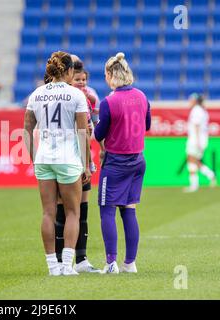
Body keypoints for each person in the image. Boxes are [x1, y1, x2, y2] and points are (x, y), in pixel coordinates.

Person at [24, 51, 91, 276]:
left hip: (44, 158)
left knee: (47, 213)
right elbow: (82, 133)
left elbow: (26, 129)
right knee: (73, 213)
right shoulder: (76, 95)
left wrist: (34, 158)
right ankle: (67, 265)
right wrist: (86, 164)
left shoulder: (37, 94)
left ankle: (53, 266)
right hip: (68, 158)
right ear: (70, 70)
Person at [94, 52, 151, 274]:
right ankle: (130, 263)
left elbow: (99, 134)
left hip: (116, 162)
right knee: (129, 210)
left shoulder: (108, 102)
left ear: (110, 75)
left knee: (107, 210)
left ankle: (111, 263)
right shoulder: (142, 96)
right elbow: (146, 126)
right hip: (137, 161)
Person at [55, 66, 101, 273]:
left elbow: (93, 127)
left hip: (84, 158)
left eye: (83, 79)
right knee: (62, 211)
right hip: (65, 158)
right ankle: (59, 260)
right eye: (77, 79)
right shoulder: (64, 98)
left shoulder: (90, 98)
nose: (81, 83)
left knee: (82, 211)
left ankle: (81, 260)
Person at [184, 93, 216, 192]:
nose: (189, 101)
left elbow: (197, 126)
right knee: (195, 161)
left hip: (196, 140)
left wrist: (197, 141)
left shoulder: (196, 110)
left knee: (191, 160)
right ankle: (210, 175)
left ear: (195, 101)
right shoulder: (202, 110)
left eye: (191, 99)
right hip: (200, 139)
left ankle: (194, 185)